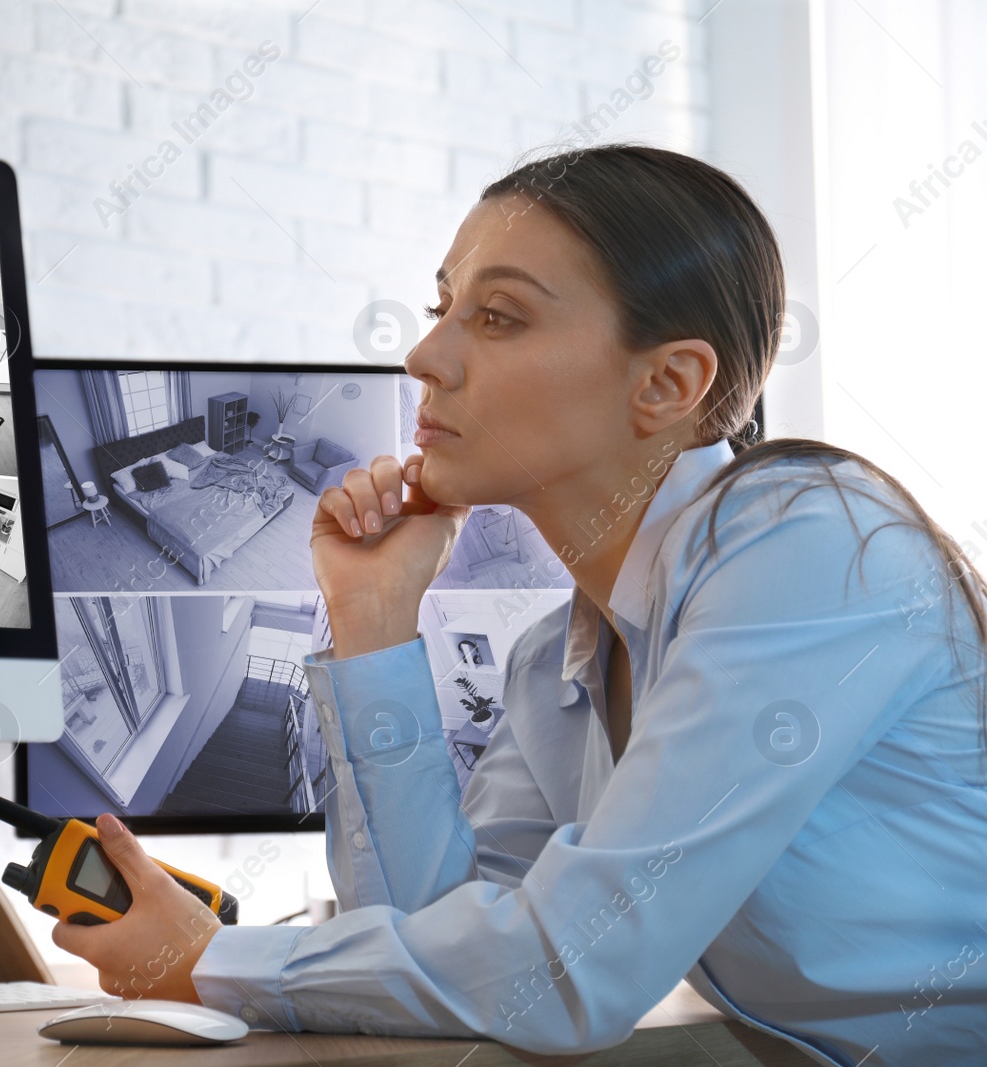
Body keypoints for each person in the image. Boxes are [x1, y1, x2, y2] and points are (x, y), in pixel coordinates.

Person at [50, 144, 987, 1066]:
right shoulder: (555, 660)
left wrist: (210, 961)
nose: (423, 355)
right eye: (440, 305)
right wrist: (374, 619)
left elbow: (571, 971)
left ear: (667, 383)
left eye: (496, 316)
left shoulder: (806, 541)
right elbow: (429, 940)